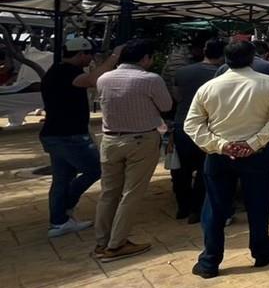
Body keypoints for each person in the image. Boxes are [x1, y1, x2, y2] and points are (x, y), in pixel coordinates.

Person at [185, 41, 269, 278]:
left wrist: (221, 145)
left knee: (214, 208)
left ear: (225, 59)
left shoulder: (209, 87)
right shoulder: (268, 83)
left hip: (219, 156)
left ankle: (210, 261)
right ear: (252, 58)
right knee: (258, 205)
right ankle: (261, 251)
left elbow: (192, 124)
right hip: (256, 155)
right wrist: (253, 143)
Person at [93, 39, 172, 262]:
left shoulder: (104, 78)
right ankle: (116, 244)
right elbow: (166, 106)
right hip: (141, 139)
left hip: (110, 140)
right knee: (131, 193)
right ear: (145, 58)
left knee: (109, 192)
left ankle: (102, 241)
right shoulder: (149, 79)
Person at [40, 38, 118, 238]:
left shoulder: (55, 71)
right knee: (96, 169)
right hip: (69, 135)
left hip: (56, 134)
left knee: (62, 179)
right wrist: (114, 57)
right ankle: (66, 206)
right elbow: (92, 81)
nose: (91, 58)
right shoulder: (66, 72)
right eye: (89, 54)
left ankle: (59, 221)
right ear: (80, 54)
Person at [170, 39, 226, 224]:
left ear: (204, 51)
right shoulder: (221, 75)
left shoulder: (182, 72)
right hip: (209, 126)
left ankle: (182, 206)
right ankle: (197, 208)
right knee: (205, 168)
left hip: (182, 124)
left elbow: (176, 96)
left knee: (181, 169)